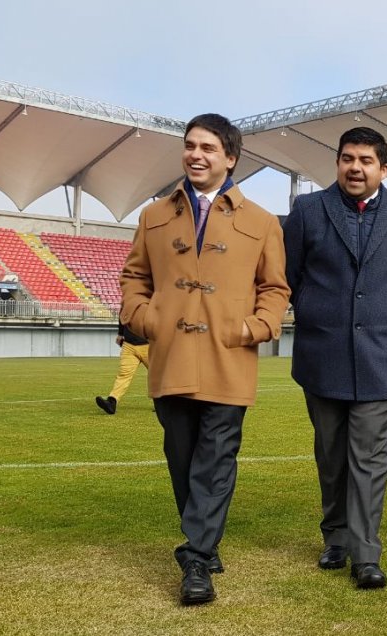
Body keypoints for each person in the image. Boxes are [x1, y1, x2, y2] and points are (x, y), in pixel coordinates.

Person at [120, 113, 290, 605]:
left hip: (228, 356)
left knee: (216, 459)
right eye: (190, 145)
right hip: (170, 355)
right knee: (181, 458)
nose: (196, 155)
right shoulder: (153, 216)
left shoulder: (261, 222)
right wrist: (144, 317)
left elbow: (275, 288)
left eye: (208, 148)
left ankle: (195, 558)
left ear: (230, 158)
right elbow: (134, 278)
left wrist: (255, 327)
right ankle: (206, 540)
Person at [283, 127, 387, 590]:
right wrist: (318, 309)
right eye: (347, 158)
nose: (355, 167)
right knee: (331, 455)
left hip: (380, 355)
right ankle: (336, 537)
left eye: (366, 160)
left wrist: (376, 312)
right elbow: (289, 274)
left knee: (369, 455)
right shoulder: (307, 210)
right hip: (321, 352)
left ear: (383, 169)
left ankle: (366, 553)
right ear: (337, 163)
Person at [95, 322, 149, 414]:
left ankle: (165, 403)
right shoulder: (125, 311)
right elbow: (122, 316)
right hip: (129, 346)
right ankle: (112, 402)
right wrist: (120, 334)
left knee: (159, 375)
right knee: (124, 375)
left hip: (149, 345)